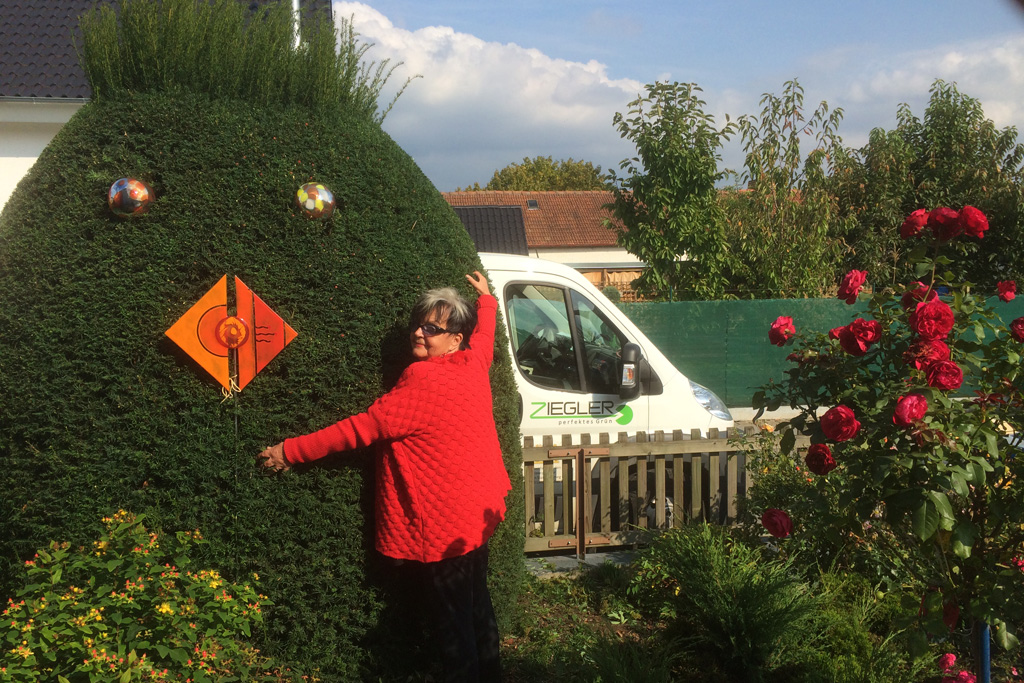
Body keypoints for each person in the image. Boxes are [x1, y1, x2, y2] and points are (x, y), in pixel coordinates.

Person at [258, 271, 510, 682]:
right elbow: (484, 339)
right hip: (478, 513)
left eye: (433, 328)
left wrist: (290, 451)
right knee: (477, 603)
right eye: (419, 323)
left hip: (446, 525)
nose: (419, 333)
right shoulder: (473, 363)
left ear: (453, 340)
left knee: (453, 624)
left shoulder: (422, 381)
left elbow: (359, 429)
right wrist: (487, 302)